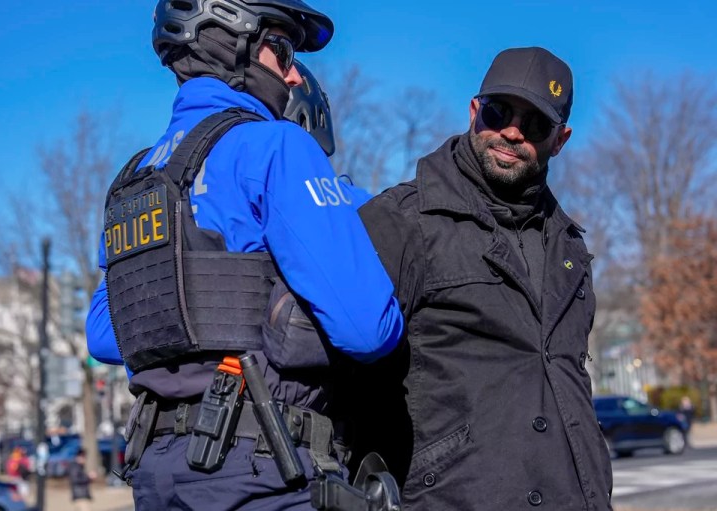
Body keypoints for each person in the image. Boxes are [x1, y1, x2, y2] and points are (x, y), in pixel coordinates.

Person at [85, 1, 403, 509]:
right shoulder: (275, 147)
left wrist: (202, 309)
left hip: (157, 470)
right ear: (233, 43)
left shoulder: (137, 179)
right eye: (283, 49)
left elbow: (103, 335)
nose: (295, 72)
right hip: (259, 468)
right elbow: (368, 329)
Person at [355, 47, 614, 510]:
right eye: (499, 111)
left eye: (535, 123)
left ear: (560, 140)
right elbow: (336, 374)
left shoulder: (571, 250)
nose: (512, 131)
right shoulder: (401, 222)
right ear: (475, 111)